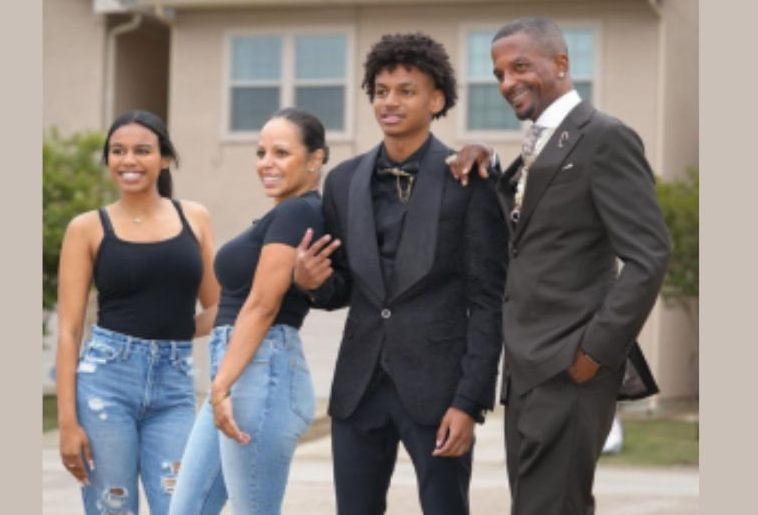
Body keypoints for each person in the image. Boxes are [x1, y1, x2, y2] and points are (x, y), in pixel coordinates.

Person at [448, 17, 671, 515]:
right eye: (499, 73)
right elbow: (527, 235)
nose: (507, 83)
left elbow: (649, 254)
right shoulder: (536, 147)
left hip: (571, 365)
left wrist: (594, 351)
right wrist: (484, 159)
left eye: (520, 67)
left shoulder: (605, 137)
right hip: (524, 369)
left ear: (562, 64)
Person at [293, 33, 508, 515]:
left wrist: (469, 401)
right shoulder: (344, 180)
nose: (390, 101)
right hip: (358, 387)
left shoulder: (469, 179)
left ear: (435, 100)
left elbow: (489, 300)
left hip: (439, 392)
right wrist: (313, 284)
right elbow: (344, 285)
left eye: (406, 91)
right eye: (382, 90)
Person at [55, 110, 220, 515]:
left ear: (164, 158)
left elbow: (220, 308)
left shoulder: (193, 218)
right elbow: (69, 330)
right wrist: (66, 422)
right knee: (113, 508)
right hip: (105, 384)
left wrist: (176, 330)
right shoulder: (87, 228)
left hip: (175, 385)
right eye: (118, 151)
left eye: (142, 150)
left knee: (181, 505)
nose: (129, 160)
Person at [168, 107, 328, 515]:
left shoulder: (299, 212)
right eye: (260, 153)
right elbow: (232, 307)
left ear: (315, 159)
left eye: (280, 152)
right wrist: (164, 327)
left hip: (263, 374)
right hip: (241, 371)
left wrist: (219, 386)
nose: (266, 164)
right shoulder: (280, 214)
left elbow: (262, 305)